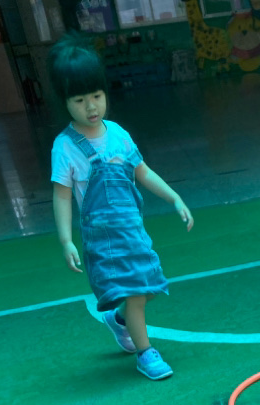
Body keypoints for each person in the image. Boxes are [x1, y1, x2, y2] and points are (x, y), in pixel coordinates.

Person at [48, 33, 193, 381]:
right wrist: (66, 240)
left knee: (148, 288)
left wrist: (174, 197)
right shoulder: (65, 147)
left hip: (132, 231)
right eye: (80, 100)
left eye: (97, 96)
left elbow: (142, 171)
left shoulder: (119, 135)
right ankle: (146, 353)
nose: (91, 107)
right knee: (136, 295)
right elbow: (62, 195)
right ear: (64, 101)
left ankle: (120, 319)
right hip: (104, 241)